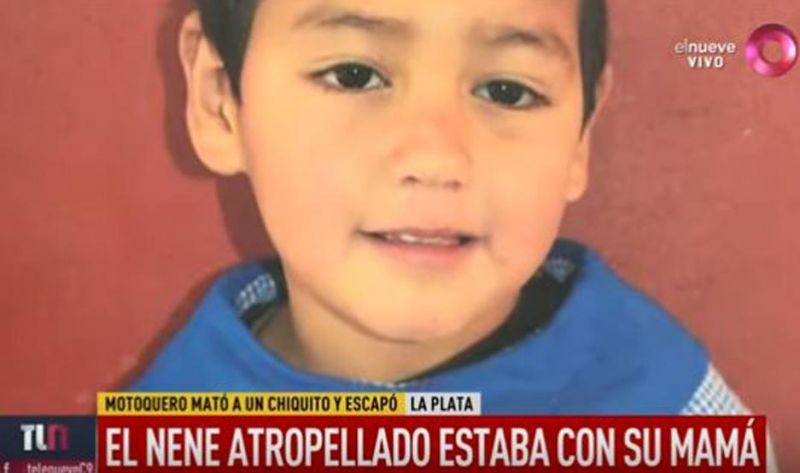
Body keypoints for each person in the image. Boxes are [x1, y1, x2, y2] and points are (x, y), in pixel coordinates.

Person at [132, 0, 770, 448]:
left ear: (581, 137)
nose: (436, 159)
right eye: (354, 75)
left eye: (507, 91)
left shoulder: (672, 416)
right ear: (220, 102)